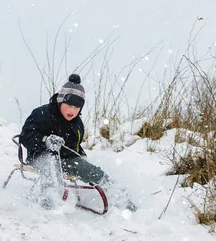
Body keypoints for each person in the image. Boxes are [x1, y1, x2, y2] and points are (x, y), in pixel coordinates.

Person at [19, 74, 137, 211]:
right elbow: (25, 136)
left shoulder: (77, 124)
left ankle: (120, 198)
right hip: (40, 156)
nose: (72, 111)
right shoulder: (42, 114)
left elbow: (74, 146)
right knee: (51, 165)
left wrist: (82, 159)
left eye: (76, 107)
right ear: (60, 101)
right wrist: (45, 141)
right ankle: (48, 201)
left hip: (66, 159)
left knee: (92, 171)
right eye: (69, 105)